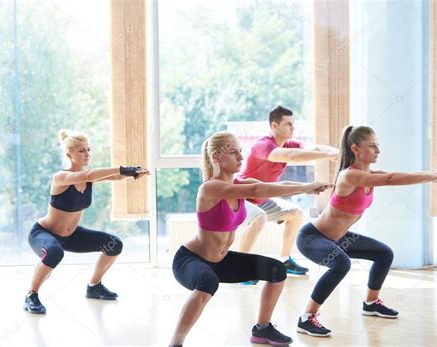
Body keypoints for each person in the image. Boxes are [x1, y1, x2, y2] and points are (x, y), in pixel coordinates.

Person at [169, 131, 332, 346]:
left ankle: (263, 329)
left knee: (277, 270)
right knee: (208, 282)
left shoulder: (240, 183)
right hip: (190, 260)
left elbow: (276, 186)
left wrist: (309, 187)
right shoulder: (210, 187)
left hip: (221, 261)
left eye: (240, 151)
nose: (240, 157)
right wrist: (305, 187)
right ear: (217, 157)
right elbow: (257, 189)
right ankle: (175, 343)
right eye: (233, 152)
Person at [295, 125, 437, 337]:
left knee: (384, 253)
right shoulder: (349, 176)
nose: (378, 150)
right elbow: (391, 180)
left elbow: (397, 175)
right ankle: (307, 317)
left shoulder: (368, 174)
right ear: (355, 149)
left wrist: (430, 173)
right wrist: (430, 177)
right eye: (372, 146)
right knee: (341, 263)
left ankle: (371, 303)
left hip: (339, 238)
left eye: (378, 145)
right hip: (313, 238)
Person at [24, 129, 148, 314]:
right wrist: (122, 168)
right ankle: (31, 295)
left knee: (114, 245)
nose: (87, 154)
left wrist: (133, 172)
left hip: (71, 235)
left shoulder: (90, 179)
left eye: (88, 150)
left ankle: (94, 286)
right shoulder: (61, 177)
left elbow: (113, 176)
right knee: (54, 253)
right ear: (69, 154)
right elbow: (89, 175)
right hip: (44, 233)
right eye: (81, 150)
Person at [237, 105, 339, 278]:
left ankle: (285, 260)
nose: (293, 128)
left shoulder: (289, 144)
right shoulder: (262, 145)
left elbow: (313, 149)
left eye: (293, 124)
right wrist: (328, 157)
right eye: (288, 124)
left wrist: (337, 152)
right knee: (259, 217)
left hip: (262, 199)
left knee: (295, 213)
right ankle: (239, 268)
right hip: (240, 199)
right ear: (274, 126)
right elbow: (291, 155)